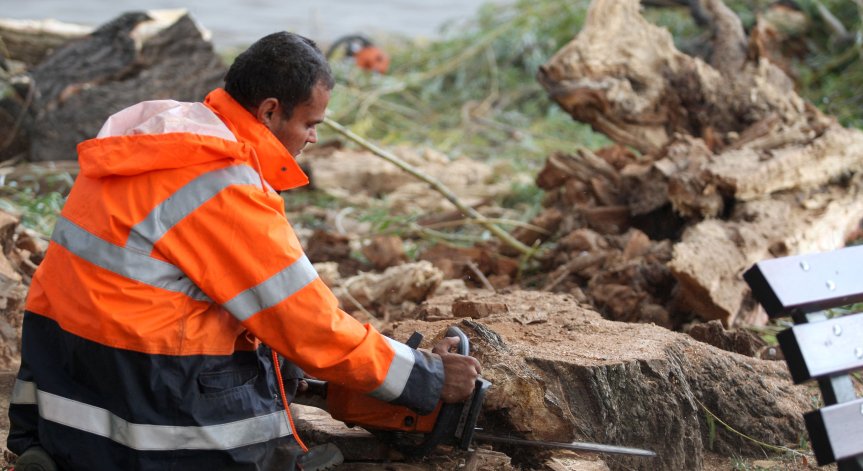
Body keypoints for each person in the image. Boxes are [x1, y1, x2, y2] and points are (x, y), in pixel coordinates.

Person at [6, 31, 481, 470]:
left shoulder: (159, 143)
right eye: (311, 124)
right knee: (269, 381)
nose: (313, 138)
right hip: (147, 415)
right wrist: (425, 379)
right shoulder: (219, 185)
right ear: (270, 111)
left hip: (63, 390)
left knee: (265, 342)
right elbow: (308, 324)